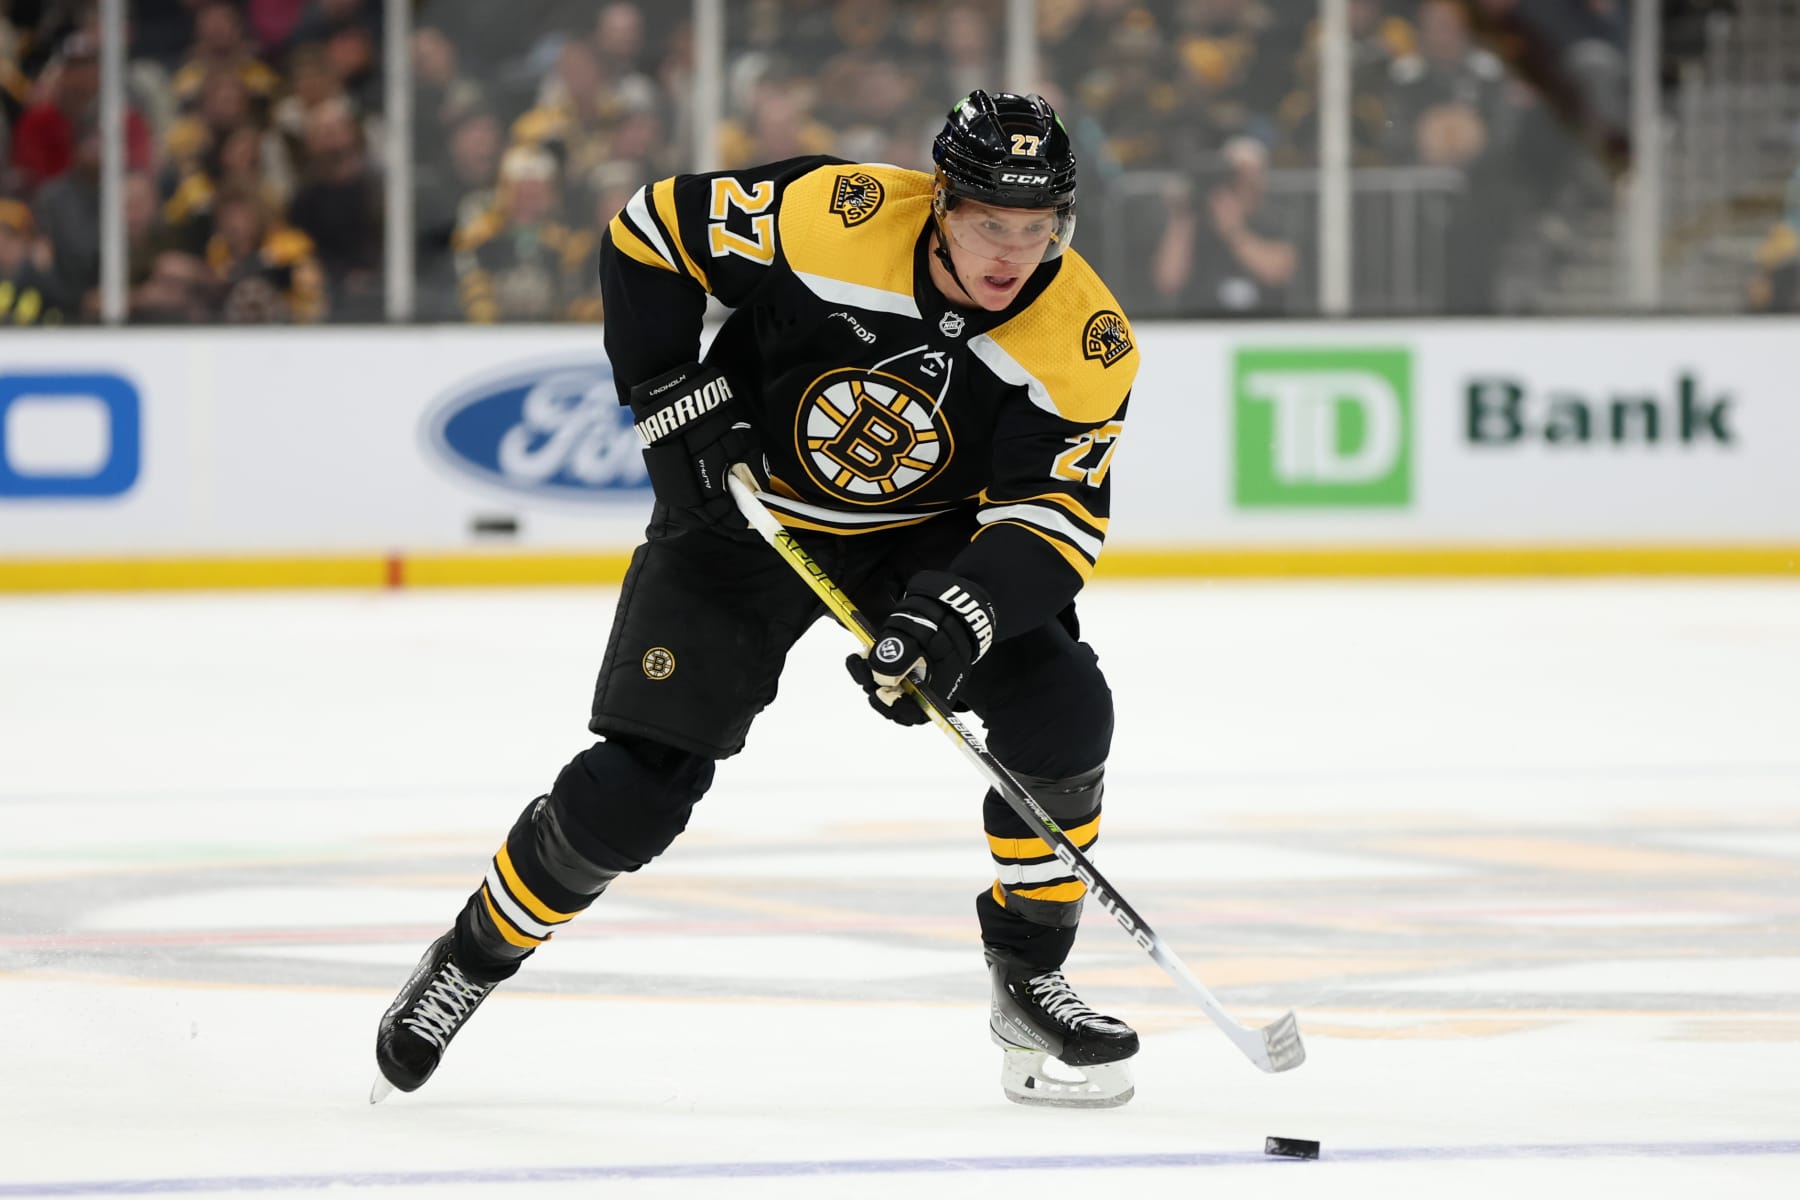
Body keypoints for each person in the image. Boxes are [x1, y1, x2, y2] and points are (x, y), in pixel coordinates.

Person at [373, 90, 1143, 1109]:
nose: (1012, 254)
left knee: (1063, 709)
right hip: (743, 512)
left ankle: (1029, 973)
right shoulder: (834, 213)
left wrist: (953, 615)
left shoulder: (1085, 339)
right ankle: (470, 959)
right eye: (990, 225)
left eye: (1036, 228)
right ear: (941, 204)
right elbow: (650, 233)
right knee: (636, 790)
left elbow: (1055, 519)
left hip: (917, 538)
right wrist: (668, 392)